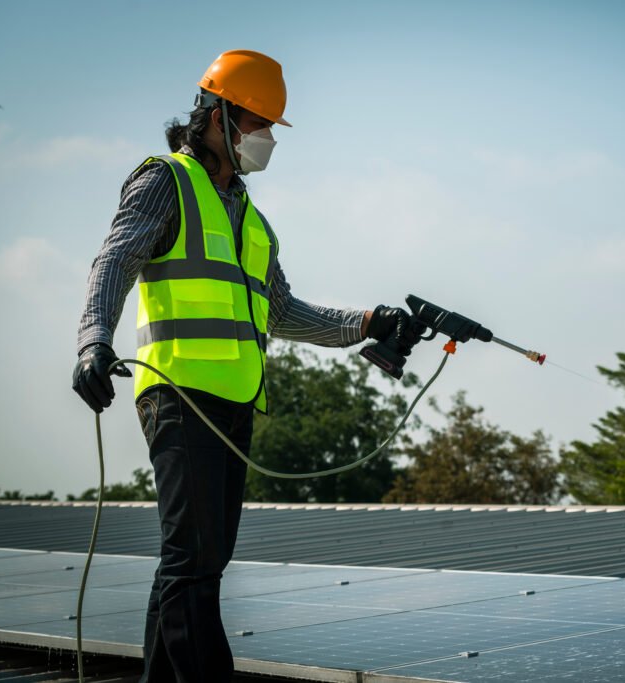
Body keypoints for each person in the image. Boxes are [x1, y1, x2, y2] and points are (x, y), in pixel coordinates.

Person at [71, 50, 414, 682]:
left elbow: (283, 312)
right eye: (257, 122)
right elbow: (112, 263)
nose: (265, 139)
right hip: (178, 394)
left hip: (234, 403)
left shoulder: (253, 222)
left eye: (270, 128)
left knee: (196, 563)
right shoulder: (164, 182)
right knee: (193, 560)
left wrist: (368, 322)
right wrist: (93, 339)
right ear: (217, 115)